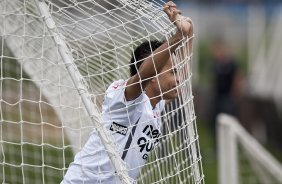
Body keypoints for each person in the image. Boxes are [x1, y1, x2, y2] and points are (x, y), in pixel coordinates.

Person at [61, 1, 193, 183]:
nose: (178, 78)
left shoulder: (155, 105)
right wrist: (178, 37)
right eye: (173, 72)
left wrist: (189, 33)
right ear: (154, 75)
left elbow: (183, 79)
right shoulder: (124, 96)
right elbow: (143, 76)